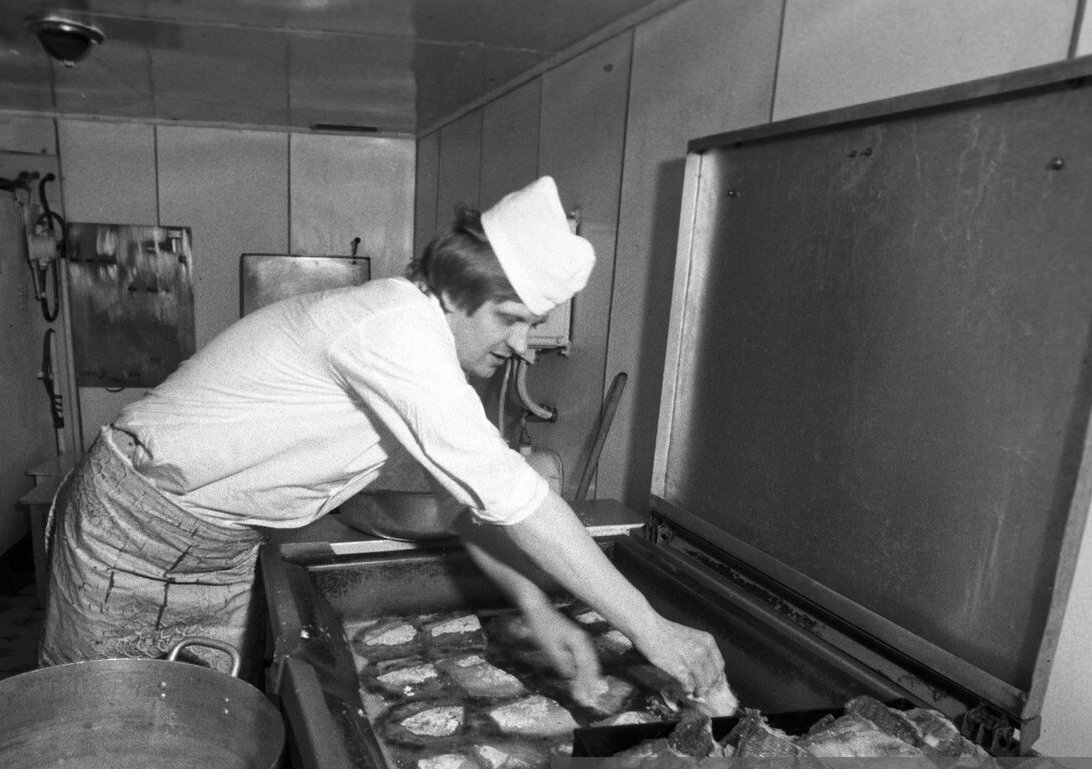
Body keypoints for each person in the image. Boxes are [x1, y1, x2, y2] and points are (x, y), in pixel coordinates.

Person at [39, 176, 733, 708]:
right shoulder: (395, 329)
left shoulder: (420, 350)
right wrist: (653, 629)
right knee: (108, 724)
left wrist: (535, 605)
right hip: (137, 527)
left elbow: (468, 505)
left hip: (215, 540)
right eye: (513, 319)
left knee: (198, 718)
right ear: (461, 290)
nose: (522, 346)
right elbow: (512, 495)